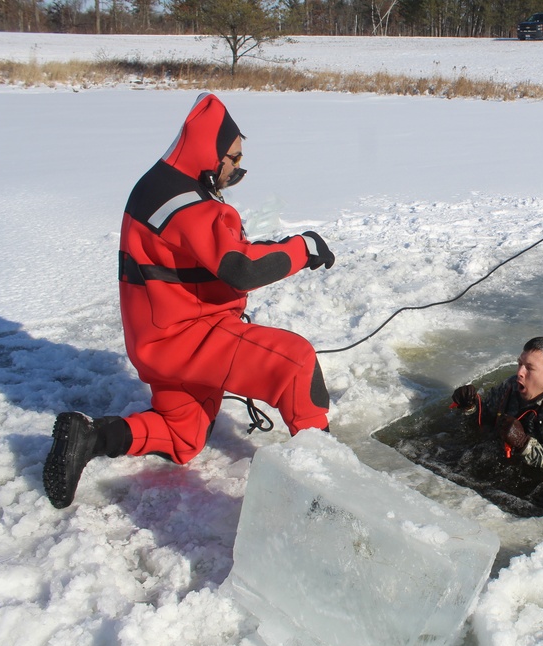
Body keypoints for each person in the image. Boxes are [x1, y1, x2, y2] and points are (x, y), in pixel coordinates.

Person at [43, 93, 335, 509]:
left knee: (183, 436)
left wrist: (259, 246)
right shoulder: (189, 204)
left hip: (158, 339)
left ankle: (92, 437)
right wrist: (302, 248)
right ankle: (325, 487)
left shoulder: (158, 187)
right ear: (210, 152)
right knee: (295, 362)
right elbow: (239, 268)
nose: (236, 170)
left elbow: (200, 254)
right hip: (192, 336)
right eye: (233, 160)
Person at [450, 337, 543, 474]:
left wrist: (523, 443)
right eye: (520, 364)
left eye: (529, 368)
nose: (519, 373)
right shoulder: (511, 386)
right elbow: (485, 417)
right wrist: (469, 406)